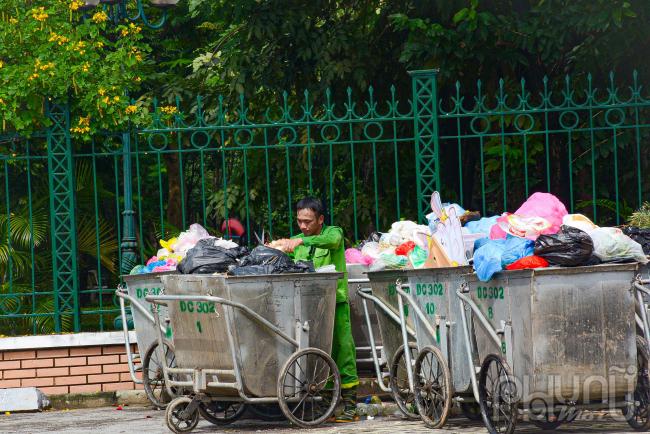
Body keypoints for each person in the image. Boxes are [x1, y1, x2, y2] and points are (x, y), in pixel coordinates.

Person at [274, 197, 359, 423]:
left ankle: (351, 405)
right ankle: (325, 403)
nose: (303, 226)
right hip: (308, 305)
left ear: (320, 219)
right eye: (300, 221)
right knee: (319, 352)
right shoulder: (297, 240)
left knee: (343, 349)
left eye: (308, 221)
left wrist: (301, 243)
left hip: (335, 302)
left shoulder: (334, 233)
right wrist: (277, 247)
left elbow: (331, 241)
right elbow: (284, 258)